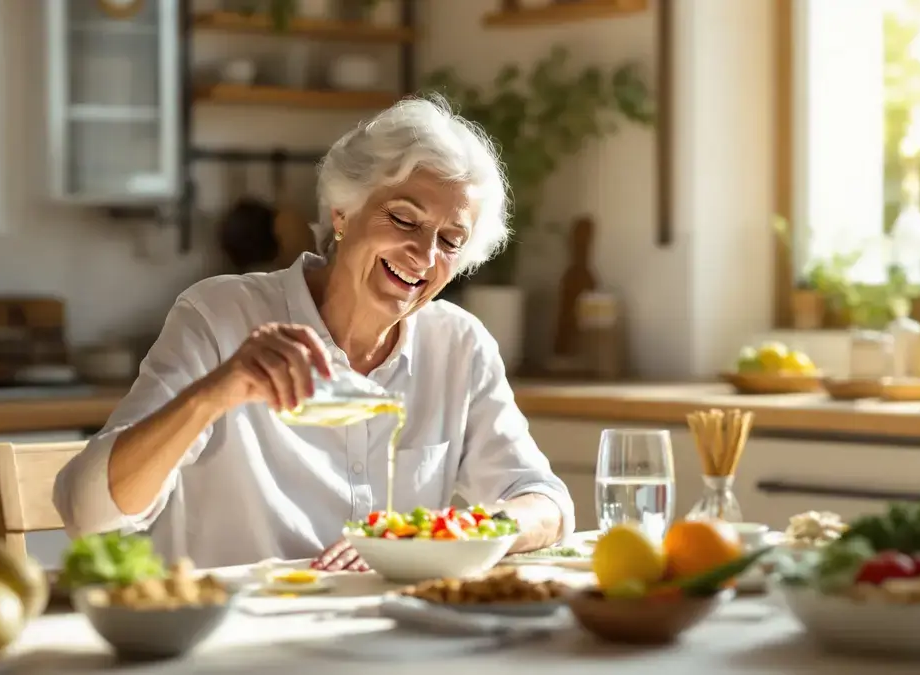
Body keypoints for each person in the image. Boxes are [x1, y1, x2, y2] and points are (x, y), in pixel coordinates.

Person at [53, 96, 575, 571]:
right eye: (403, 219)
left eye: (451, 240)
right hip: (236, 631)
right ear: (343, 213)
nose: (424, 255)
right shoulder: (220, 315)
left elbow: (545, 501)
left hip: (391, 630)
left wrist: (450, 533)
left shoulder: (459, 345)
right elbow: (88, 514)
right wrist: (213, 395)